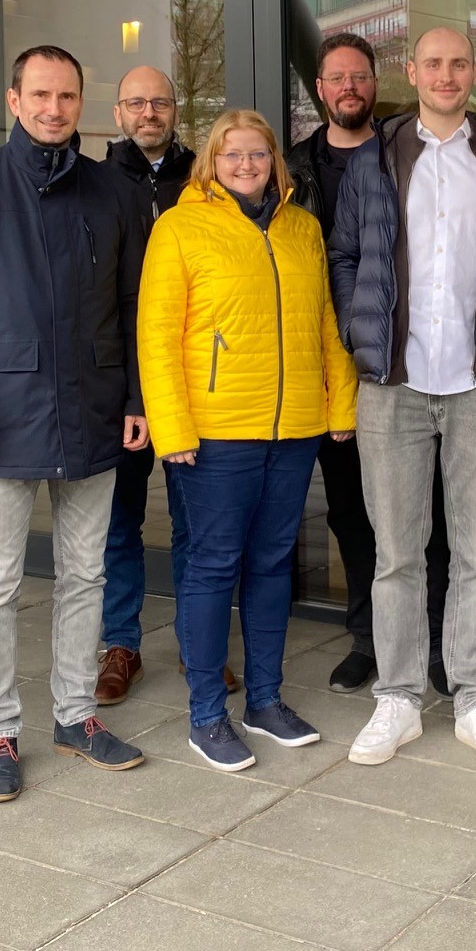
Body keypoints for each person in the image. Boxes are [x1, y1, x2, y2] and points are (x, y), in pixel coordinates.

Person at [0, 45, 149, 802]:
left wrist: (137, 399)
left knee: (86, 574)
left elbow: (135, 306)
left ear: (82, 103)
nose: (54, 109)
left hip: (94, 410)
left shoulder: (113, 191)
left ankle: (76, 716)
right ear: (13, 100)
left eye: (67, 96)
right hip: (1, 419)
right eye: (40, 95)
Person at [330, 26, 476, 771]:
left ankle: (475, 698)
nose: (447, 74)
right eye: (433, 63)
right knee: (395, 555)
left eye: (459, 63)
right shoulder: (373, 158)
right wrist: (361, 334)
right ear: (412, 71)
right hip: (391, 384)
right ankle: (397, 697)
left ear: (473, 71)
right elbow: (344, 254)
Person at [139, 110, 357, 770]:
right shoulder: (179, 227)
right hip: (215, 433)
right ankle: (206, 714)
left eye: (258, 154)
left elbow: (324, 321)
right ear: (211, 161)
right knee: (212, 567)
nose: (245, 165)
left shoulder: (302, 228)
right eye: (232, 154)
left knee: (271, 566)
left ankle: (265, 700)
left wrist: (340, 403)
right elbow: (157, 335)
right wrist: (172, 428)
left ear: (274, 162)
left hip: (294, 428)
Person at [287, 33, 451, 695]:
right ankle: (369, 638)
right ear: (320, 89)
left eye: (359, 76)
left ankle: (433, 640)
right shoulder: (291, 168)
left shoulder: (403, 150)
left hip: (402, 361)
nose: (349, 87)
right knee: (352, 513)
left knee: (423, 511)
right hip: (326, 365)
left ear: (376, 83)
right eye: (337, 78)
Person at [95, 64, 229, 705]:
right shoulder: (94, 183)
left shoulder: (205, 184)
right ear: (118, 113)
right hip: (117, 379)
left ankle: (197, 644)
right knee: (119, 523)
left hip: (190, 381)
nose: (149, 113)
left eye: (160, 103)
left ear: (176, 111)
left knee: (193, 525)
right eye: (136, 103)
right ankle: (121, 645)